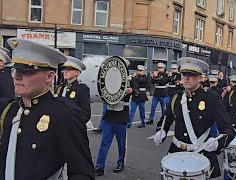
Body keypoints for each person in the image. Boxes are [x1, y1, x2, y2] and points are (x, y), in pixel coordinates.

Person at [0, 38, 94, 179]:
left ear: (50, 77)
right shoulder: (10, 110)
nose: (17, 76)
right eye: (15, 70)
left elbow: (82, 173)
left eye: (27, 71)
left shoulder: (65, 115)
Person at [154, 57, 235, 178]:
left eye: (191, 75)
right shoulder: (176, 98)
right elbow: (167, 118)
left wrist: (218, 143)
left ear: (200, 78)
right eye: (184, 74)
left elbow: (228, 130)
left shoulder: (211, 99)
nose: (186, 78)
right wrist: (162, 131)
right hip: (176, 152)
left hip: (201, 154)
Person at [94, 59, 138, 176]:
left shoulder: (130, 79)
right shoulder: (110, 76)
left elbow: (137, 91)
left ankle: (120, 163)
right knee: (104, 143)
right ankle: (99, 166)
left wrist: (131, 90)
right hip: (109, 114)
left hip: (121, 115)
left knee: (121, 143)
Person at [55, 56, 92, 125]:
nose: (65, 71)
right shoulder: (60, 88)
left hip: (73, 126)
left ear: (77, 73)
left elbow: (85, 114)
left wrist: (75, 125)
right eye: (64, 69)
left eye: (69, 69)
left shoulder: (82, 89)